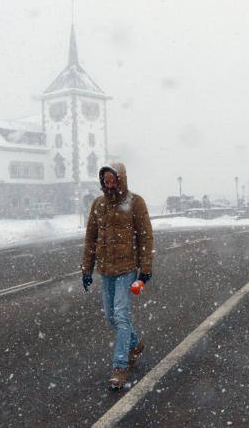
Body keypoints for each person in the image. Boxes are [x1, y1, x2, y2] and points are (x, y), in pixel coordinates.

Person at [80, 163, 154, 390]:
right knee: (110, 317)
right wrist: (87, 268)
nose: (109, 185)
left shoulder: (135, 202)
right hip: (105, 269)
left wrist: (145, 270)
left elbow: (146, 237)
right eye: (106, 181)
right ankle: (135, 343)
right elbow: (91, 238)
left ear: (121, 180)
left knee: (121, 315)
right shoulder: (98, 205)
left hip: (127, 268)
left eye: (113, 180)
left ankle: (120, 366)